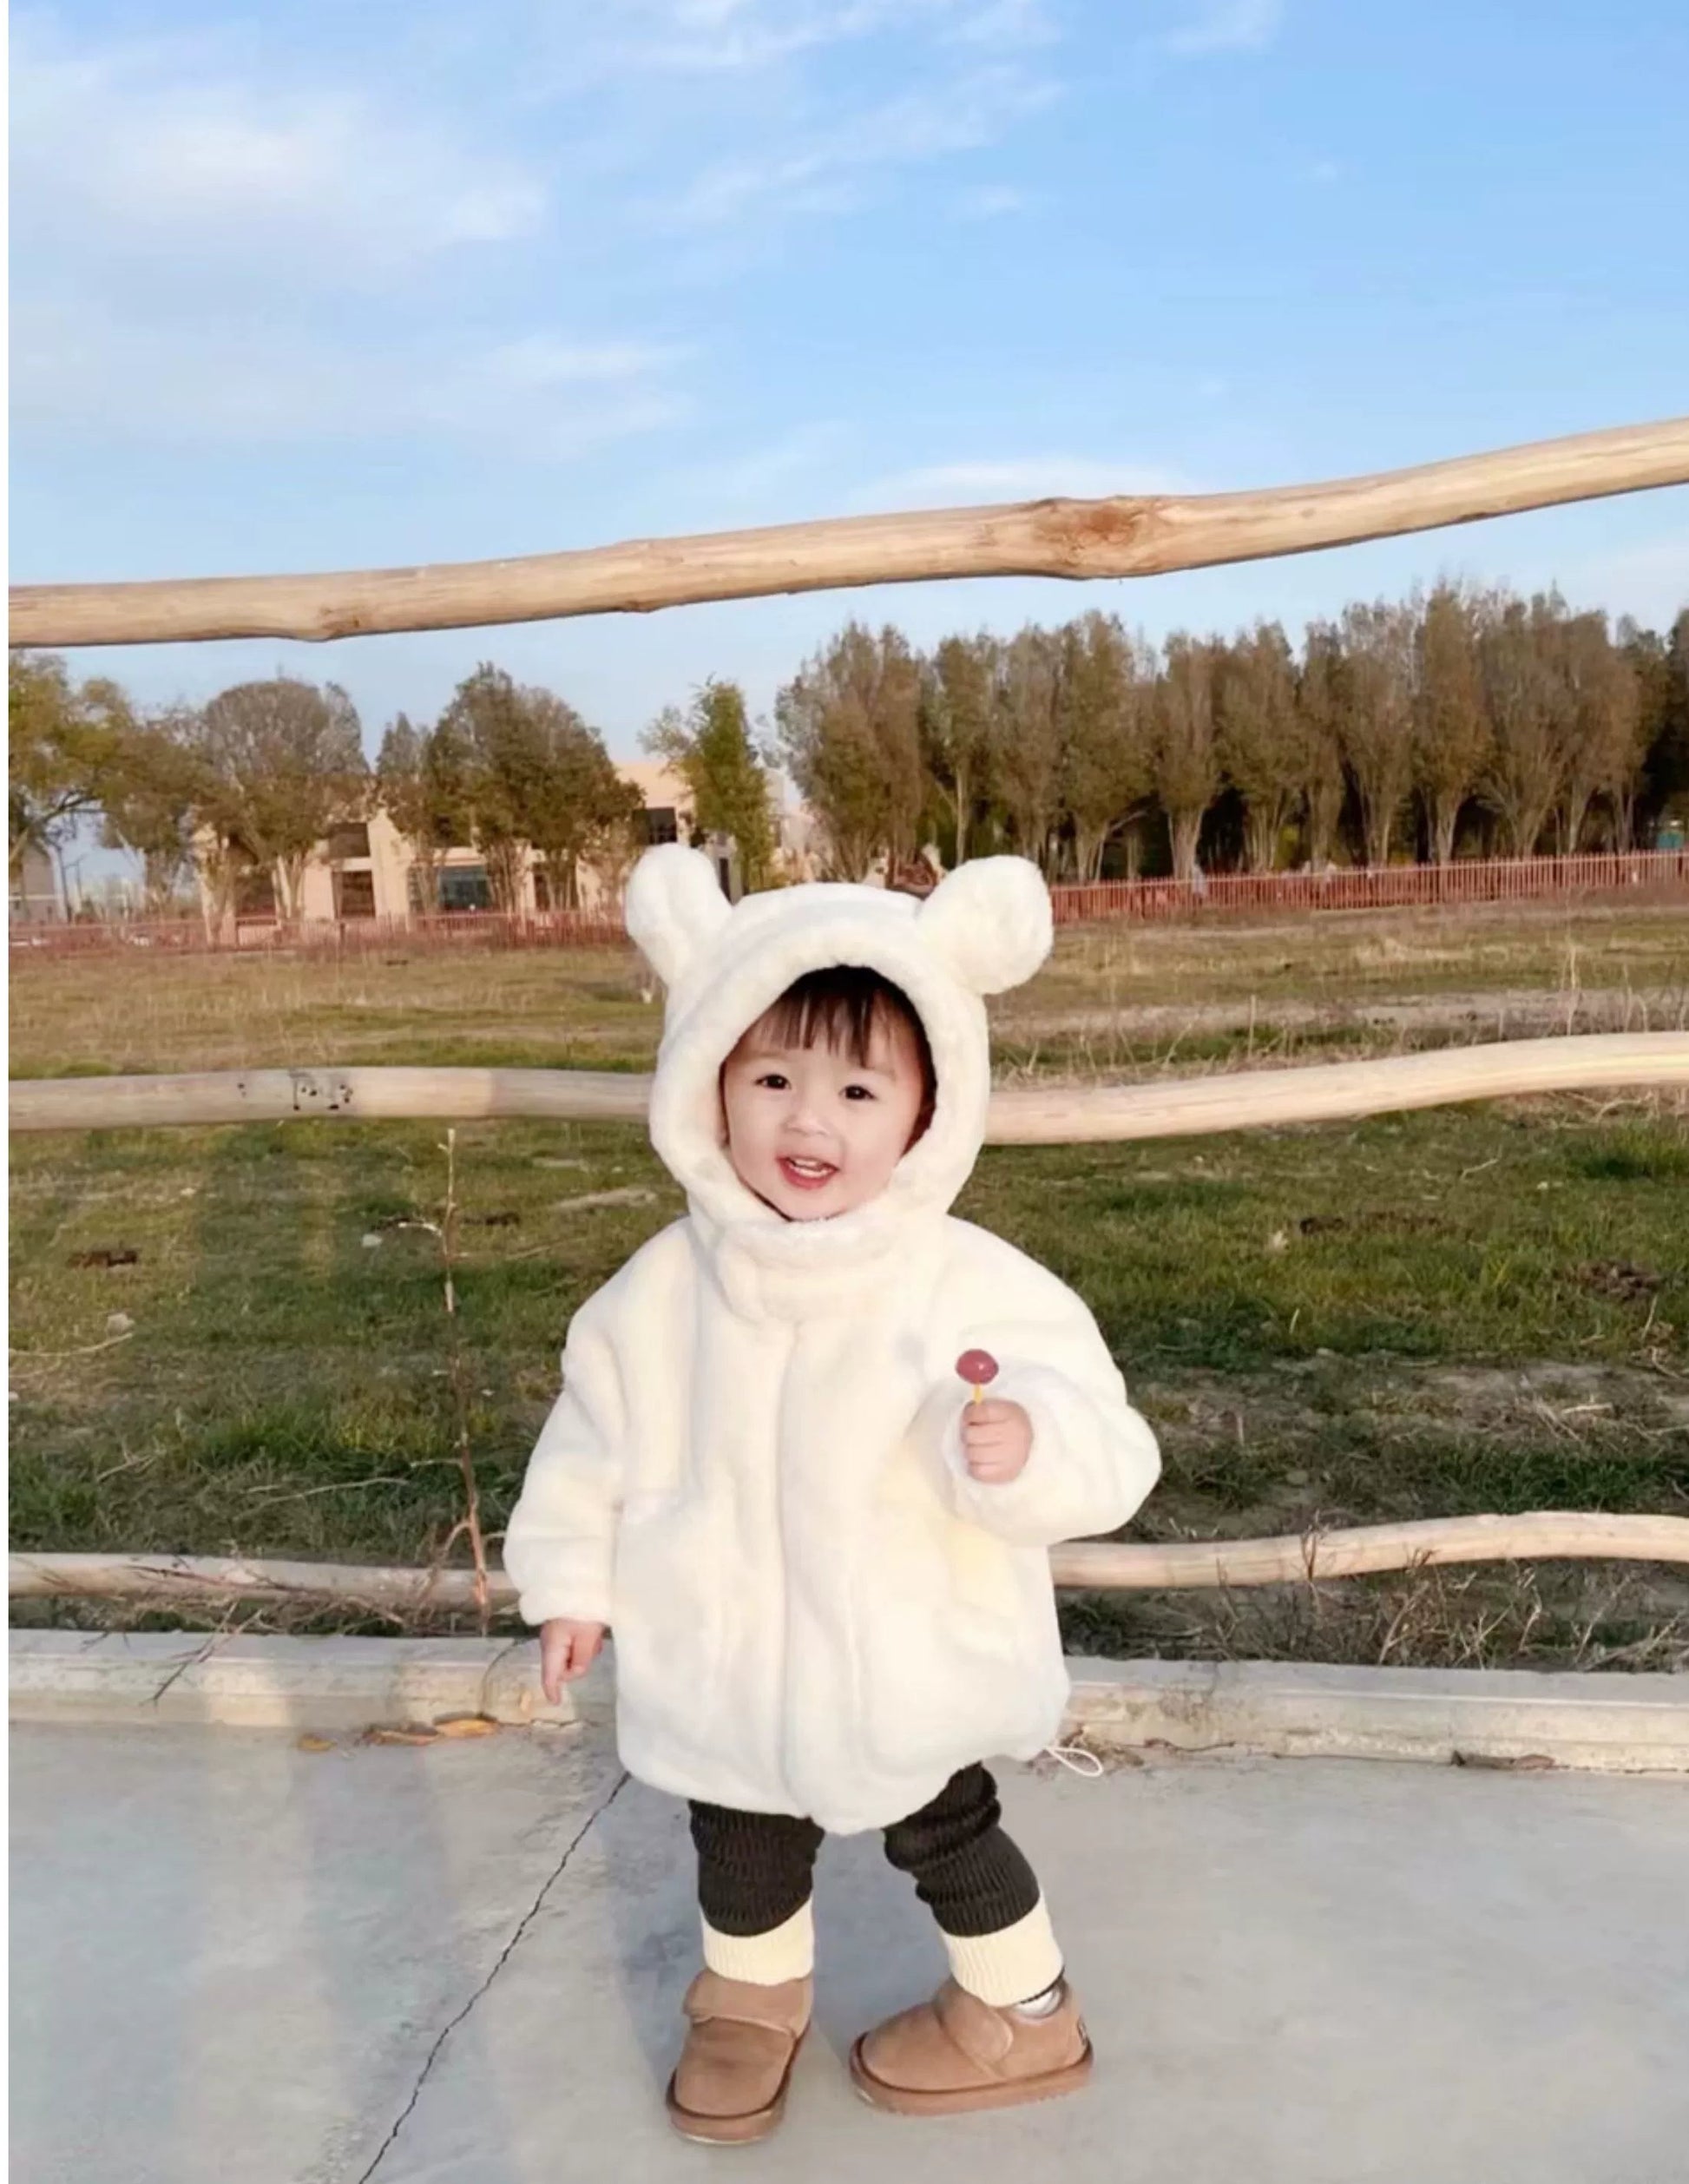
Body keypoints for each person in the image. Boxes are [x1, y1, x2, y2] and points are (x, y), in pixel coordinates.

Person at [504, 845, 1161, 2143]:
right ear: (708, 1085)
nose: (808, 1124)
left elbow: (1103, 1430)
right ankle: (751, 2000)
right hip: (725, 1644)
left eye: (858, 1088)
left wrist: (1028, 1445)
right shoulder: (660, 1288)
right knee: (739, 1839)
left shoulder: (971, 1280)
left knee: (948, 1827)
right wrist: (572, 1582)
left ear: (928, 1109)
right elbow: (592, 1436)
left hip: (905, 1649)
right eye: (769, 1080)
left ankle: (1024, 2009)